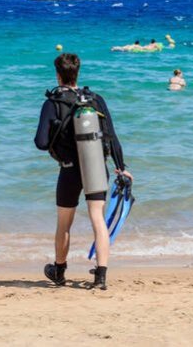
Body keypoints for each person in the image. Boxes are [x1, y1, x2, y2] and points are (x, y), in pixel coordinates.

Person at [34, 53, 132, 289]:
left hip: (69, 170)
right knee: (98, 220)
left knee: (64, 224)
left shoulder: (52, 103)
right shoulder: (95, 100)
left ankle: (59, 270)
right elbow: (112, 137)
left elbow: (40, 142)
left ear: (58, 75)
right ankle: (100, 275)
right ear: (77, 73)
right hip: (97, 167)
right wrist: (121, 168)